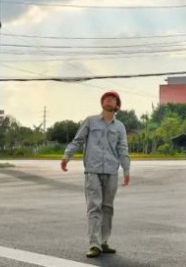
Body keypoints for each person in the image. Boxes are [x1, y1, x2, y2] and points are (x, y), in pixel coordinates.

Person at [61, 90, 131, 258]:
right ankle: (94, 244)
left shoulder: (119, 126)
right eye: (105, 98)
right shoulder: (90, 121)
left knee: (108, 208)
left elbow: (123, 150)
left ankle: (104, 241)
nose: (108, 100)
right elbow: (77, 140)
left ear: (117, 105)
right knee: (94, 207)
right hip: (92, 171)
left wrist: (126, 169)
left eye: (112, 99)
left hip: (111, 172)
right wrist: (66, 156)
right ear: (102, 103)